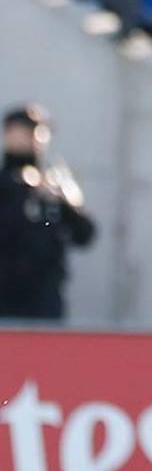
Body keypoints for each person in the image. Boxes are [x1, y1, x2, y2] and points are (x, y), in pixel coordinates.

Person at [0, 106, 96, 320]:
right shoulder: (5, 185)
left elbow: (85, 234)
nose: (34, 139)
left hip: (45, 300)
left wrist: (62, 201)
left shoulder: (55, 183)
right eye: (24, 131)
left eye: (38, 132)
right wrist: (22, 193)